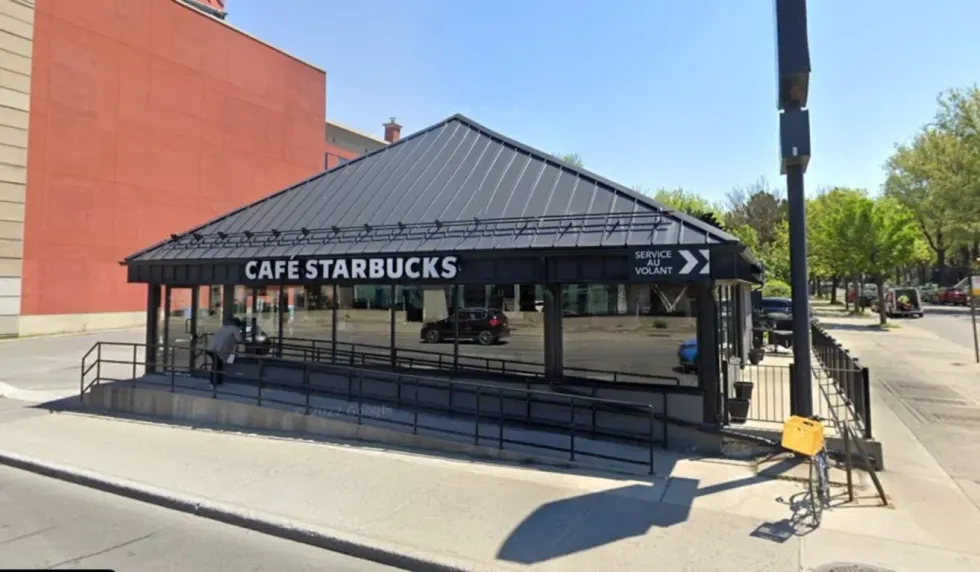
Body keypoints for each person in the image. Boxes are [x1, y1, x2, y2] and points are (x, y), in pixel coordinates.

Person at [206, 318, 243, 386]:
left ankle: (217, 381)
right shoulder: (235, 328)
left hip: (210, 347)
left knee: (217, 365)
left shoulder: (224, 327)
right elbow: (239, 339)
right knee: (217, 366)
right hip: (218, 349)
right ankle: (214, 382)